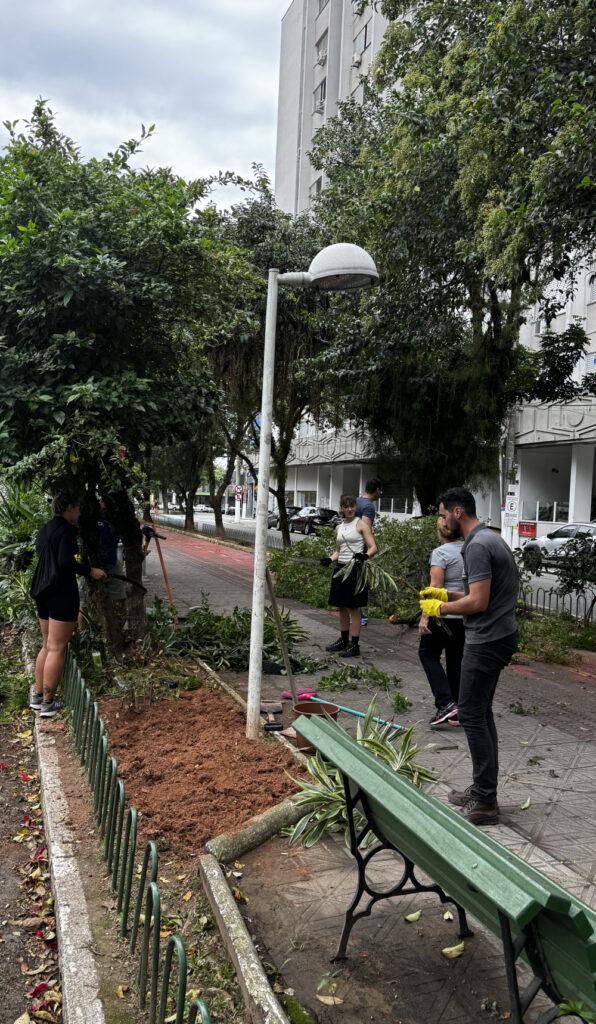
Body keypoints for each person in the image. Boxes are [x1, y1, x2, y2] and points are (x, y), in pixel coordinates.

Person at [419, 487, 518, 826]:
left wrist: (441, 607)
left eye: (443, 514)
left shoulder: (475, 546)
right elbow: (480, 594)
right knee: (480, 712)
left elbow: (478, 604)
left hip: (488, 638)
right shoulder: (490, 538)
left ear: (458, 512)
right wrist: (446, 591)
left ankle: (486, 801)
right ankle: (481, 788)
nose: (442, 520)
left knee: (472, 715)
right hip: (498, 634)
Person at [30, 495, 106, 718]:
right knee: (56, 647)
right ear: (70, 508)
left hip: (42, 590)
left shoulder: (45, 529)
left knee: (47, 644)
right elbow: (65, 561)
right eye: (78, 508)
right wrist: (90, 571)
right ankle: (48, 702)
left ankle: (37, 696)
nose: (80, 513)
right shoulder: (67, 531)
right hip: (61, 592)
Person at [418, 520, 465, 728]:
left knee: (427, 654)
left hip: (442, 614)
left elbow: (435, 587)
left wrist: (425, 616)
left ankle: (445, 702)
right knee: (455, 660)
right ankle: (457, 709)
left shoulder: (441, 552)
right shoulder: (469, 549)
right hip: (464, 614)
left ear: (441, 532)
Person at [321, 494, 377, 658]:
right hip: (340, 569)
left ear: (355, 507)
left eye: (352, 506)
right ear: (342, 509)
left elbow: (373, 547)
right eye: (346, 506)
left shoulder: (361, 524)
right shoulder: (339, 527)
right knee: (341, 606)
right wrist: (329, 559)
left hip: (355, 569)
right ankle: (343, 640)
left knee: (353, 607)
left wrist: (364, 556)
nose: (350, 509)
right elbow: (339, 551)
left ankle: (354, 645)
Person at [355, 478, 382, 626]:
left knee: (355, 583)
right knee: (361, 584)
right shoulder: (369, 506)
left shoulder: (356, 501)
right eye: (380, 490)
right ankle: (360, 617)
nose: (381, 493)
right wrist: (369, 552)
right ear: (377, 490)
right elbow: (366, 530)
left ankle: (356, 614)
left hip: (350, 548)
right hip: (361, 551)